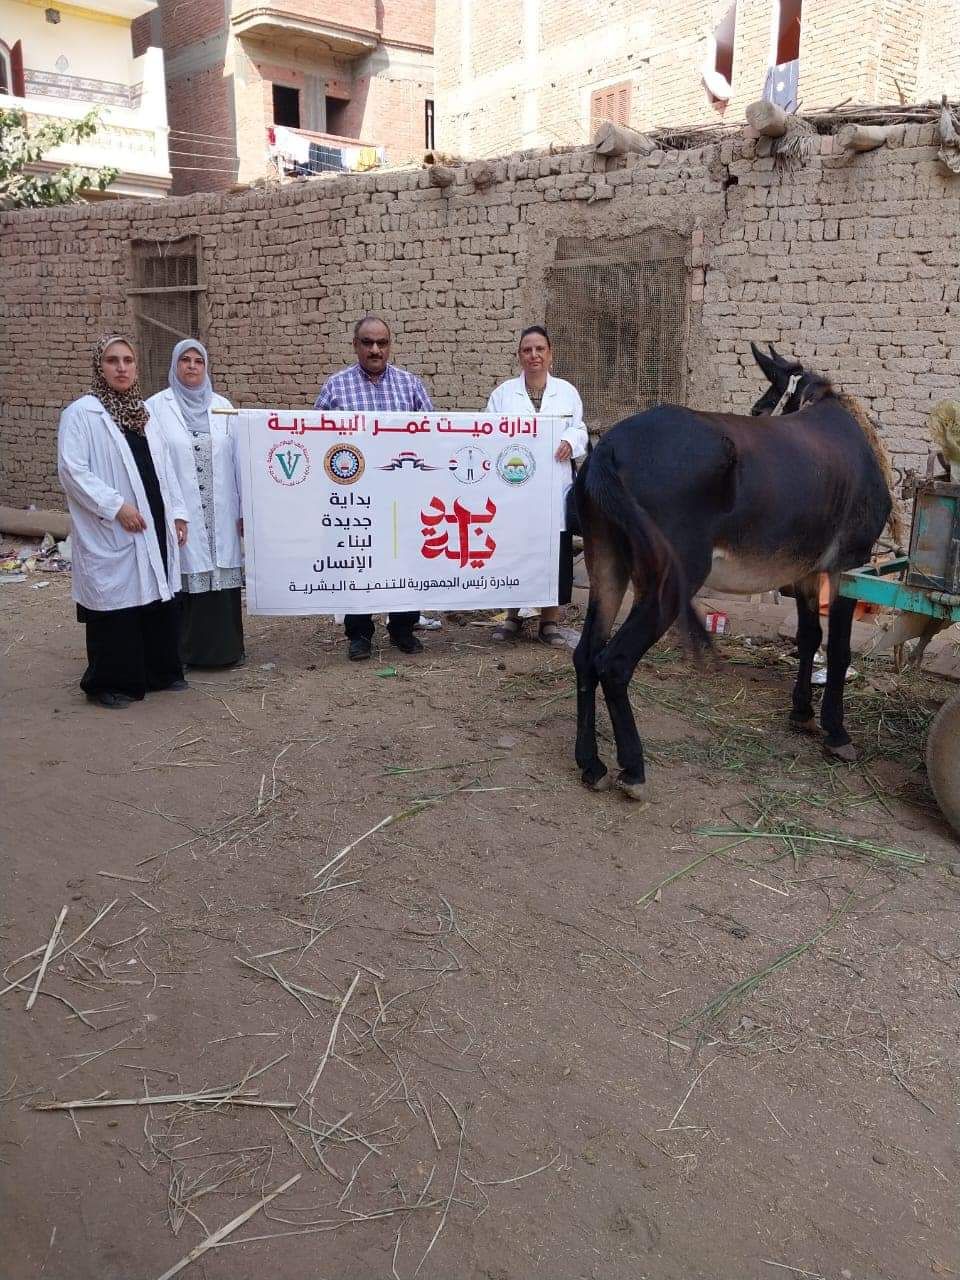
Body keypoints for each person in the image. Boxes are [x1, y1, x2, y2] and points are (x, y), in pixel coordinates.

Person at [57, 336, 189, 708]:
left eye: (128, 360)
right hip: (114, 527)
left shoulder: (142, 413)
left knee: (157, 597)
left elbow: (165, 469)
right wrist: (116, 506)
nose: (121, 367)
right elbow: (72, 470)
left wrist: (178, 513)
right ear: (100, 366)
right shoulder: (83, 413)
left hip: (154, 525)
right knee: (116, 604)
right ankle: (109, 683)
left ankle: (159, 673)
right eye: (112, 360)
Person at [314, 314, 434, 660]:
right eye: (367, 342)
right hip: (354, 498)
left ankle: (402, 628)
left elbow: (432, 436)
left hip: (402, 498)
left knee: (405, 561)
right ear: (355, 345)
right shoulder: (335, 388)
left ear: (390, 345)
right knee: (358, 562)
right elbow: (316, 438)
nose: (375, 349)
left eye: (382, 342)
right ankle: (359, 633)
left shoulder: (410, 386)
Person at [485, 325, 588, 647]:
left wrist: (572, 441)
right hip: (516, 488)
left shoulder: (567, 392)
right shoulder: (503, 395)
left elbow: (580, 427)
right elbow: (489, 433)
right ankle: (513, 616)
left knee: (554, 553)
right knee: (516, 551)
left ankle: (549, 622)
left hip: (554, 485)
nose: (534, 355)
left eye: (540, 349)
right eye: (527, 350)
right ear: (520, 356)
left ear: (550, 355)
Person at [146, 341, 244, 668]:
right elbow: (156, 465)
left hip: (222, 511)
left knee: (222, 573)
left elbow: (238, 461)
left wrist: (243, 512)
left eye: (198, 361)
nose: (191, 366)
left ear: (206, 367)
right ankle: (184, 654)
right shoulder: (156, 408)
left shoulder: (222, 406)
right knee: (185, 575)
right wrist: (172, 511)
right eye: (184, 360)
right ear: (174, 366)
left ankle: (227, 652)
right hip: (182, 511)